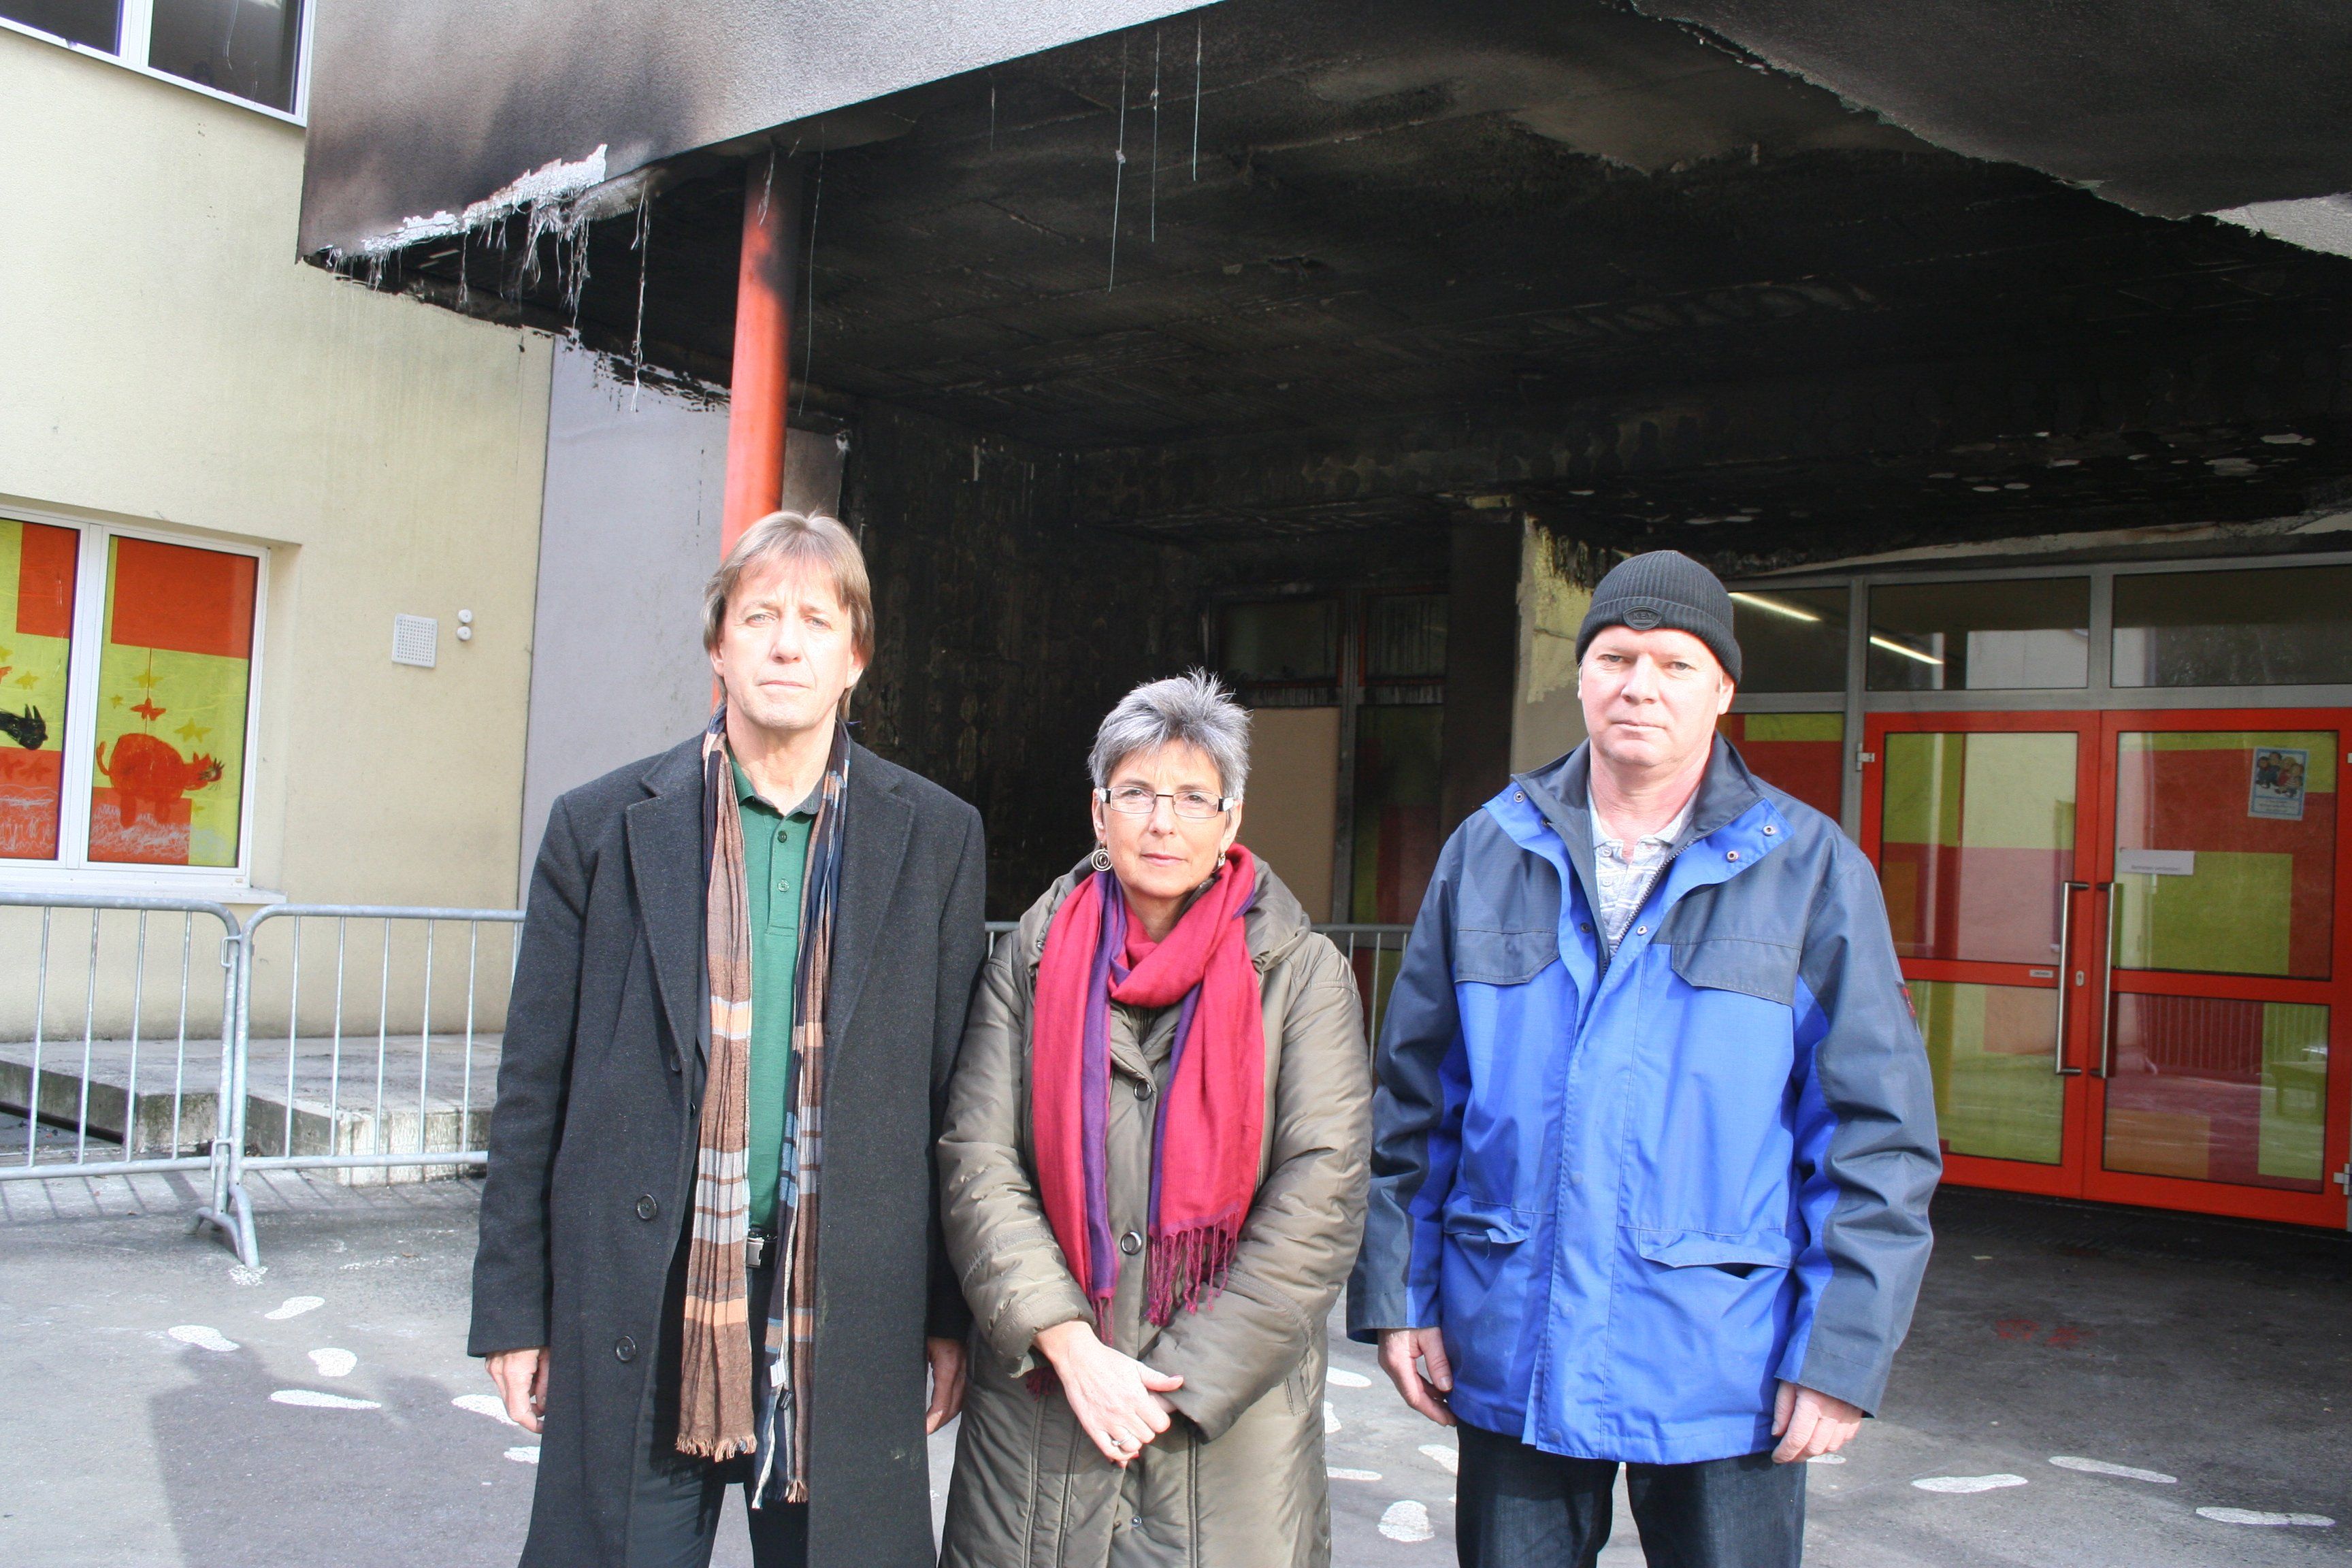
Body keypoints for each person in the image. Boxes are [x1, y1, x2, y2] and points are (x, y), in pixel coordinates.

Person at [1349, 551, 1940, 1567]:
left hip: (1727, 1361)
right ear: (1581, 677)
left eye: (1675, 663)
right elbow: (1414, 1104)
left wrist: (1839, 1350)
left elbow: (1873, 1134)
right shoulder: (1489, 850)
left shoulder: (1807, 869)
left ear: (1723, 690)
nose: (1640, 685)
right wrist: (1402, 1295)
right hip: (1515, 1341)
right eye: (1615, 657)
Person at [470, 511, 986, 1568]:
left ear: (856, 655)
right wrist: (516, 1308)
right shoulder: (602, 827)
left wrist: (948, 1312)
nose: (786, 644)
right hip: (645, 1299)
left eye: (816, 620)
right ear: (718, 644)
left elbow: (953, 1098)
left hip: (844, 1312)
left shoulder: (937, 837)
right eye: (759, 618)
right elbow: (533, 1088)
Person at [937, 672, 1371, 1568]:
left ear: (1231, 820)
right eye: (1136, 793)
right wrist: (1071, 1347)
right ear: (1099, 814)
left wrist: (1171, 1386)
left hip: (1229, 1435)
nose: (1162, 821)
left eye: (1192, 797)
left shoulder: (1303, 975)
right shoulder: (1030, 959)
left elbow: (1320, 1195)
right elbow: (979, 1159)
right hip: (1044, 1415)